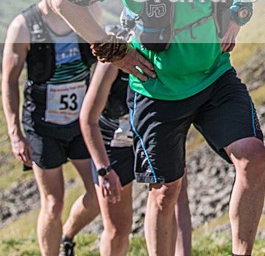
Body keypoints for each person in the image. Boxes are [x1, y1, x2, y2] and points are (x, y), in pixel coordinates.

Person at [53, 0, 265, 256]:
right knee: (164, 193)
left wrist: (240, 11)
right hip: (159, 88)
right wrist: (112, 49)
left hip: (214, 75)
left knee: (253, 156)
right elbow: (66, 0)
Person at [1, 0, 101, 256]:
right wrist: (15, 134)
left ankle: (68, 236)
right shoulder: (23, 27)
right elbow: (9, 81)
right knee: (53, 202)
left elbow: (104, 60)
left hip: (83, 122)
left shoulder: (90, 11)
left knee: (100, 193)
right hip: (43, 127)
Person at [80, 59, 193, 256]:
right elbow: (88, 119)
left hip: (151, 139)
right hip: (115, 148)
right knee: (118, 229)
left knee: (174, 198)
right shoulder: (113, 60)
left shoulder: (169, 55)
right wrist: (104, 169)